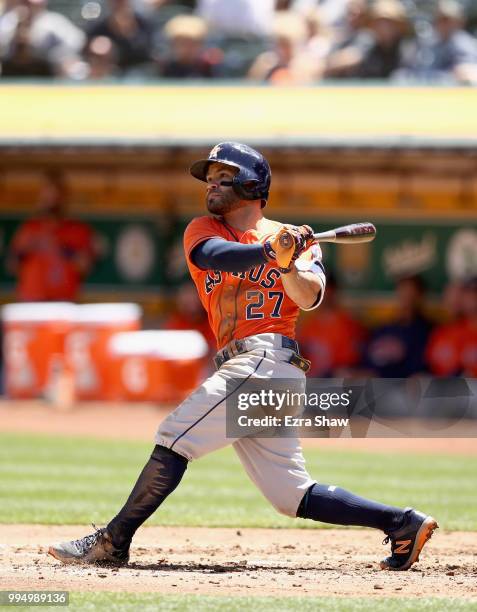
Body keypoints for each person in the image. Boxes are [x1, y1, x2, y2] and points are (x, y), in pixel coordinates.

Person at [48, 142, 437, 571]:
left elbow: (308, 299)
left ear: (251, 184)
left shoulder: (296, 241)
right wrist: (271, 253)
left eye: (222, 177)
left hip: (267, 363)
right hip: (253, 369)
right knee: (289, 495)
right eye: (209, 179)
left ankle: (113, 541)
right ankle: (401, 522)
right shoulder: (204, 230)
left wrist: (289, 264)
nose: (211, 186)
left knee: (174, 436)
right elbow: (214, 258)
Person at [6, 171, 96, 302]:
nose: (51, 201)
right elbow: (12, 265)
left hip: (62, 303)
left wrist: (60, 247)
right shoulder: (29, 229)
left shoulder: (77, 230)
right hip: (31, 301)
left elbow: (84, 266)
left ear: (64, 198)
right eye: (47, 196)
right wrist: (27, 249)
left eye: (55, 196)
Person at [363, 275, 433, 378]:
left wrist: (378, 375)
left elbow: (415, 371)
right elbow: (366, 359)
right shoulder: (384, 328)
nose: (406, 297)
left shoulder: (425, 331)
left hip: (401, 386)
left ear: (419, 296)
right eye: (403, 292)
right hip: (373, 384)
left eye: (411, 293)